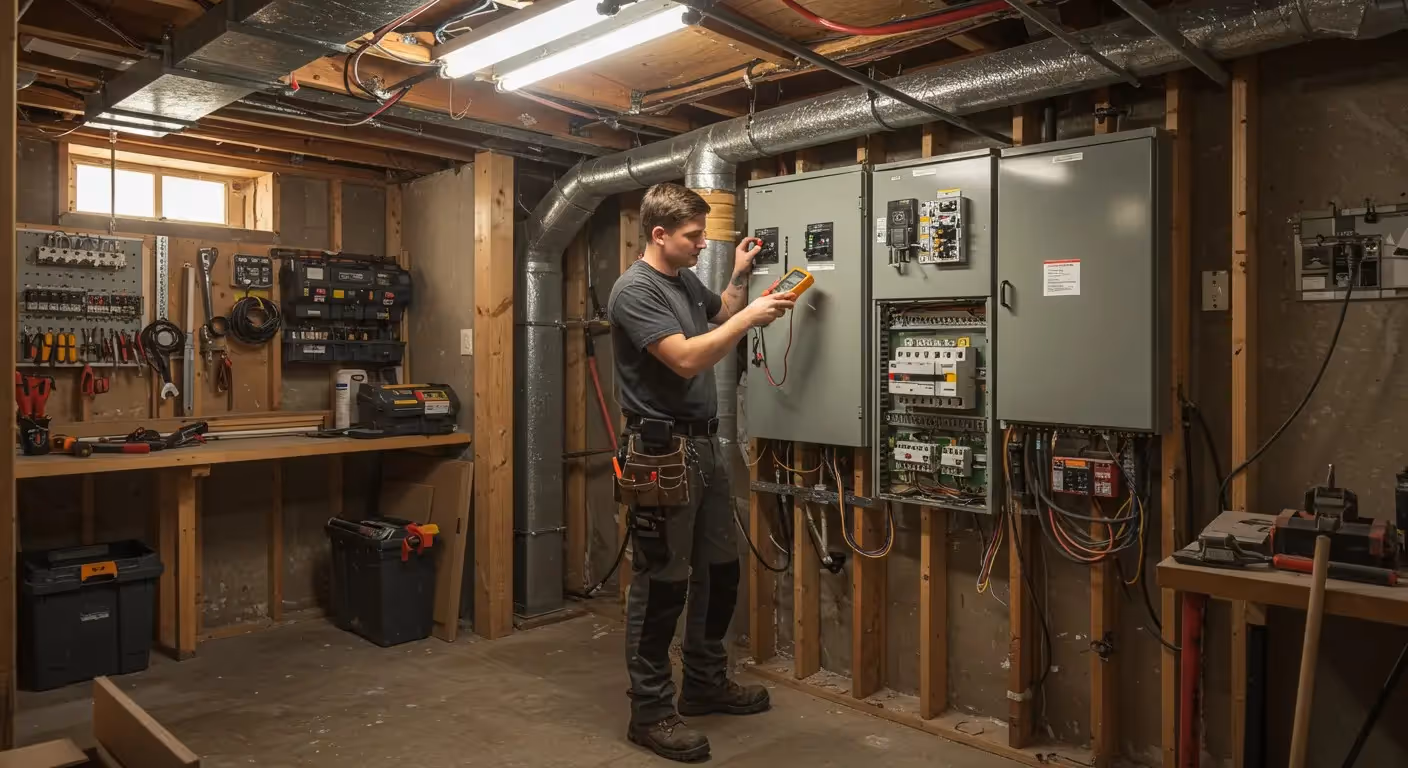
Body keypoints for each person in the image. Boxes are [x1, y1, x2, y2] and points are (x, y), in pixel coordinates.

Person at [608, 182, 797, 762]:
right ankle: (651, 710)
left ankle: (705, 682)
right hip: (662, 453)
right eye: (694, 237)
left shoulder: (682, 278)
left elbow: (721, 311)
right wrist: (754, 320)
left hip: (704, 447)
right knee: (662, 580)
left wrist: (740, 276)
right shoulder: (634, 290)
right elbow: (688, 355)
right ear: (659, 234)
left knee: (719, 570)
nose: (701, 245)